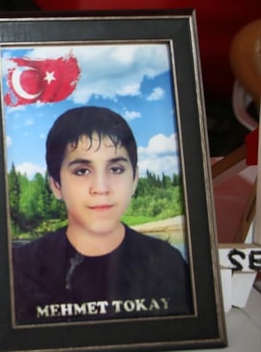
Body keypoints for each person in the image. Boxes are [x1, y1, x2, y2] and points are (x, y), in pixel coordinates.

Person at [12, 106, 192, 323]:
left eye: (116, 169)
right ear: (56, 185)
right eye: (82, 171)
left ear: (134, 179)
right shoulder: (23, 267)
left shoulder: (167, 262)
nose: (101, 188)